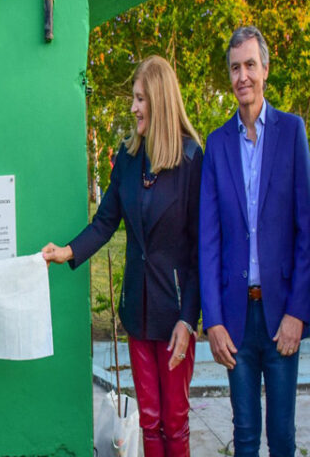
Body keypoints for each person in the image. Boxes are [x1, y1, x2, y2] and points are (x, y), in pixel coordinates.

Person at [42, 56, 202, 457]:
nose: (133, 108)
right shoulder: (128, 158)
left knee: (175, 421)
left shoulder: (190, 159)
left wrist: (189, 317)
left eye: (140, 98)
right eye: (134, 98)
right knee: (148, 418)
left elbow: (203, 248)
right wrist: (67, 251)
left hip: (175, 313)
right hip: (137, 312)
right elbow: (105, 221)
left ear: (160, 100)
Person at [199, 26, 310, 457]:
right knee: (245, 435)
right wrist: (212, 320)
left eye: (250, 65)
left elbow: (308, 231)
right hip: (234, 319)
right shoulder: (216, 145)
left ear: (265, 69)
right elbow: (208, 240)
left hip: (280, 313)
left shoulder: (292, 132)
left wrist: (298, 313)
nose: (242, 76)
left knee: (282, 437)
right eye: (235, 68)